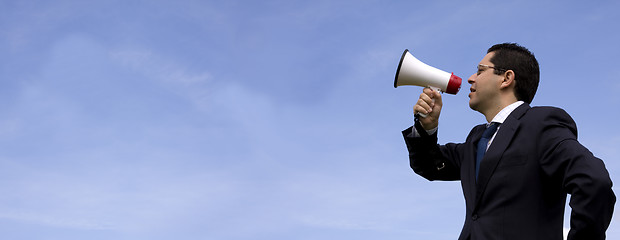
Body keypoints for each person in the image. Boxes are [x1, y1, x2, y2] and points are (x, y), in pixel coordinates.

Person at [401, 43, 615, 240]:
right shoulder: (477, 139)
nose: (470, 78)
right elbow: (428, 165)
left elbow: (594, 182)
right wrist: (427, 128)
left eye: (481, 70)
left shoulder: (541, 125)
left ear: (506, 78)